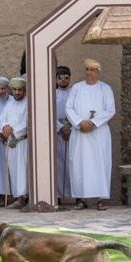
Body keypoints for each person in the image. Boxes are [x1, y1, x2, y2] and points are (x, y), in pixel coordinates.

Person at [65, 58, 115, 210]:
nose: (89, 73)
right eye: (87, 69)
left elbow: (110, 110)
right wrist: (80, 122)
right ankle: (81, 199)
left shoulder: (105, 89)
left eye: (93, 70)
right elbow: (69, 108)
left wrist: (93, 123)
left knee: (100, 164)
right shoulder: (77, 88)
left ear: (98, 72)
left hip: (99, 134)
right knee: (79, 164)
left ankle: (101, 199)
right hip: (80, 133)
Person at [0, 77, 30, 208]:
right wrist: (4, 127)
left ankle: (25, 198)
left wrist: (12, 131)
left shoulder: (28, 104)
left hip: (22, 142)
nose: (17, 92)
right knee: (14, 171)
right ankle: (18, 198)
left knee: (23, 171)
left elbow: (27, 123)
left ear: (24, 90)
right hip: (10, 143)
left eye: (19, 90)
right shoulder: (9, 104)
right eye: (14, 90)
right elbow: (1, 119)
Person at [54, 65, 73, 202]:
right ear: (55, 79)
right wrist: (61, 128)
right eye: (60, 77)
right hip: (58, 133)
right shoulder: (52, 94)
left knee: (72, 164)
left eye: (66, 77)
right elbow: (49, 112)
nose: (63, 80)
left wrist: (70, 128)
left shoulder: (74, 93)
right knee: (59, 165)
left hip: (73, 133)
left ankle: (77, 197)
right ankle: (59, 196)